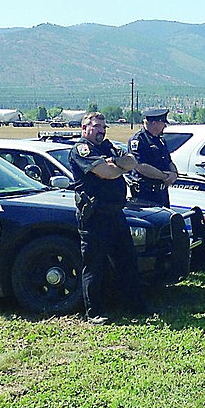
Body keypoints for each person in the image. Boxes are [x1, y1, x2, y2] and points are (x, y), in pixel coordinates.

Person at [68, 111, 142, 324]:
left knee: (126, 261)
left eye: (103, 127)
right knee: (94, 266)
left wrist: (114, 162)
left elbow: (132, 162)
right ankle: (94, 312)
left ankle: (134, 307)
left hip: (116, 213)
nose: (101, 131)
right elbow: (105, 173)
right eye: (96, 127)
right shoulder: (81, 150)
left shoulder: (108, 146)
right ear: (84, 129)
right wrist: (116, 165)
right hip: (95, 216)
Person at [127, 107, 179, 206]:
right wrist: (165, 177)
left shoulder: (160, 140)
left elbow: (168, 161)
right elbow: (140, 166)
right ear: (155, 123)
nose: (165, 127)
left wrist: (174, 174)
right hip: (145, 193)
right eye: (163, 123)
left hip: (162, 192)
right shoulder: (138, 140)